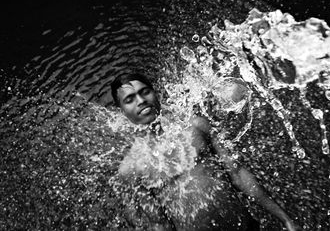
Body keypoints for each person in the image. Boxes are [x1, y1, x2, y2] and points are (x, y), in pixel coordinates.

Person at [111, 73, 297, 231]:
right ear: (121, 112)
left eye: (145, 92)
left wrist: (285, 218)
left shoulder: (194, 127)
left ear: (155, 93)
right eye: (130, 99)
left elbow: (237, 173)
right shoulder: (131, 168)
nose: (141, 100)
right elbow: (159, 224)